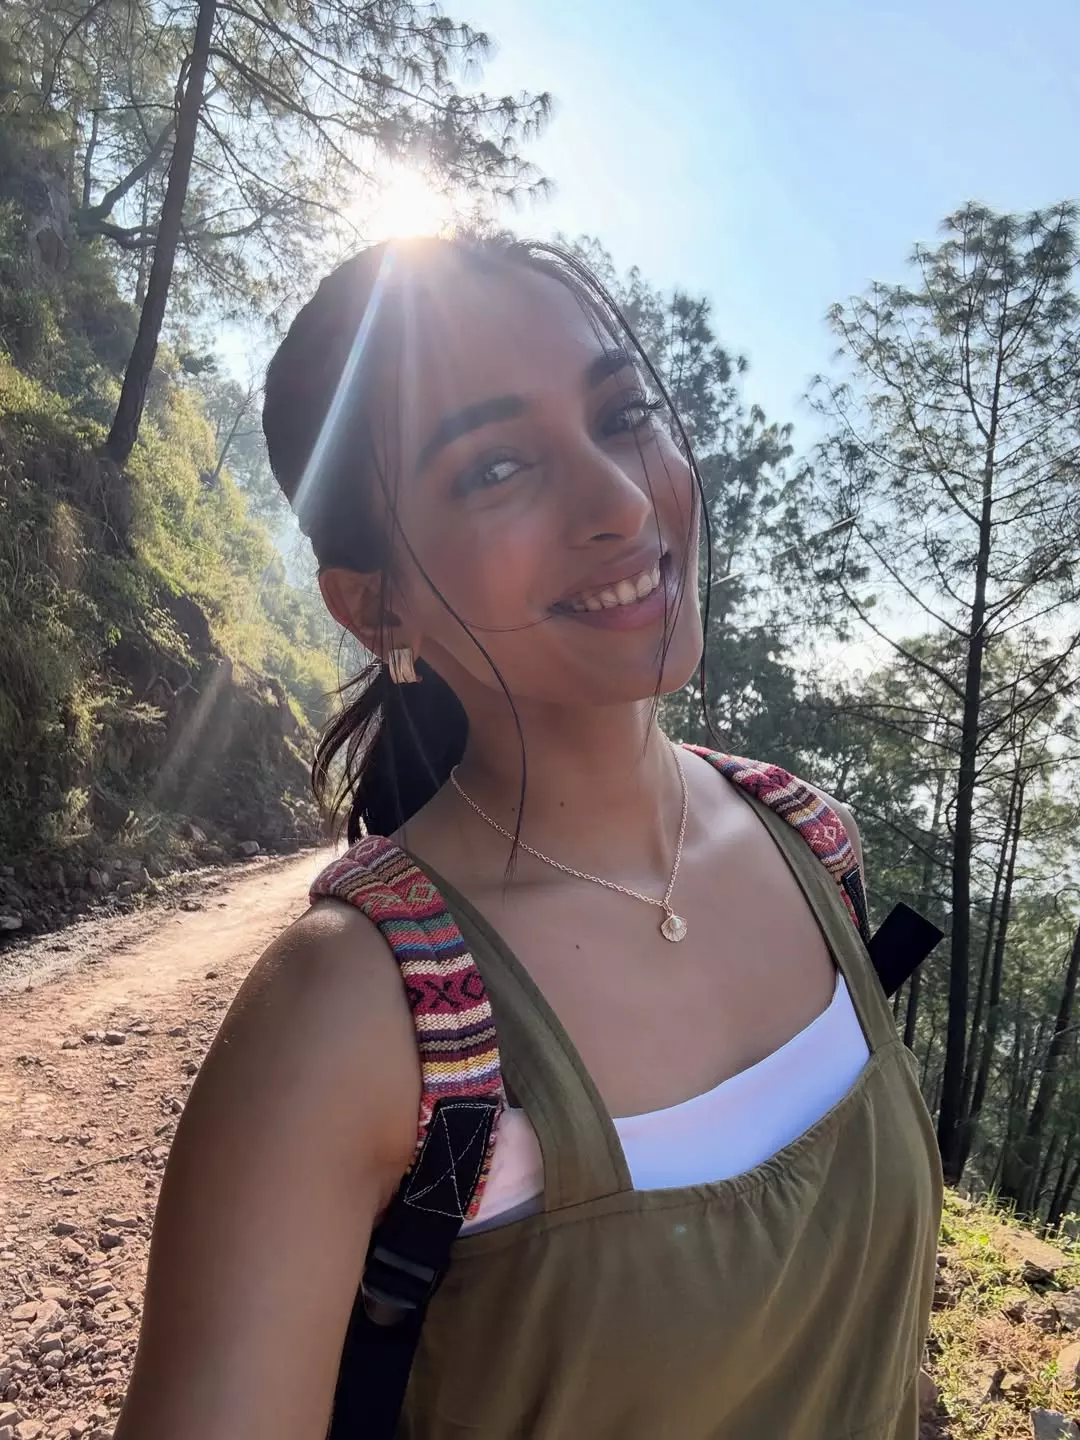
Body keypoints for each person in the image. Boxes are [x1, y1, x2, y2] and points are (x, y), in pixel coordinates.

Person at [115, 235, 942, 1440]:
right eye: (497, 467)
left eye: (624, 414)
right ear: (375, 604)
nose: (622, 503)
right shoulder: (353, 1021)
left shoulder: (812, 843)